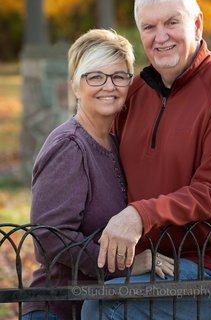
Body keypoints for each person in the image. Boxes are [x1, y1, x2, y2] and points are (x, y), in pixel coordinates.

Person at [82, 0, 211, 319]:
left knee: (103, 306)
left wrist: (140, 214)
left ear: (196, 24)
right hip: (153, 261)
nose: (161, 36)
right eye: (149, 27)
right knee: (77, 293)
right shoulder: (136, 91)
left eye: (172, 22)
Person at [22, 29, 174, 320]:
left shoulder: (115, 144)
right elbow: (49, 239)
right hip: (58, 310)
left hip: (100, 307)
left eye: (119, 76)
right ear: (76, 87)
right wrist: (126, 266)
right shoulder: (69, 146)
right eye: (95, 76)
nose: (109, 86)